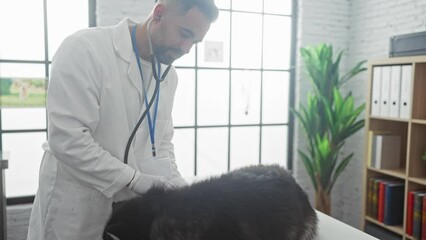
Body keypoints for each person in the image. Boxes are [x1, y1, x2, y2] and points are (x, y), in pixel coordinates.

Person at [27, 0, 218, 239]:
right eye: (184, 34)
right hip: (76, 201)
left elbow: (162, 143)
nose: (186, 48)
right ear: (158, 14)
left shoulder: (168, 76)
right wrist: (135, 180)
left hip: (125, 208)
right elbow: (68, 140)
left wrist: (180, 192)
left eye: (195, 42)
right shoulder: (85, 49)